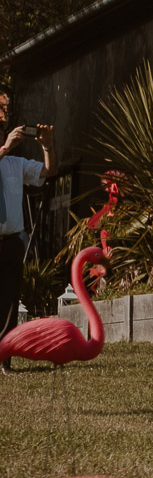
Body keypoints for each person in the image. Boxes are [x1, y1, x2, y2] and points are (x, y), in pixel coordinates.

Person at [1, 124, 56, 372]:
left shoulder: (15, 163)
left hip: (11, 241)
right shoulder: (5, 153)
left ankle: (5, 360)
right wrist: (5, 148)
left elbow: (48, 171)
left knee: (10, 301)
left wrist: (47, 146)